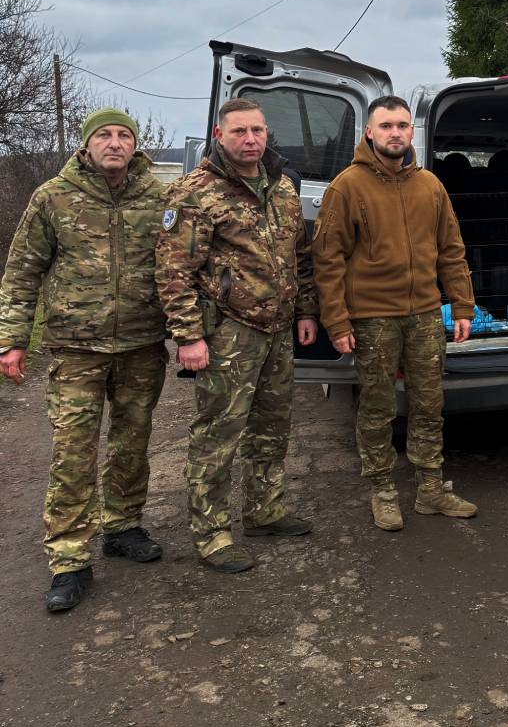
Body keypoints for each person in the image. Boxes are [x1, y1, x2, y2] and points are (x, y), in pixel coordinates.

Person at [0, 108, 168, 612]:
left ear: (135, 145)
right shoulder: (53, 197)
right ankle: (70, 558)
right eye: (104, 135)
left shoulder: (157, 198)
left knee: (132, 441)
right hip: (77, 348)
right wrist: (12, 340)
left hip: (141, 344)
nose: (114, 143)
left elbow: (181, 266)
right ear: (86, 144)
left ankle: (122, 525)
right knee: (73, 450)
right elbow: (22, 273)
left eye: (124, 135)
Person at [156, 98, 318, 573]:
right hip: (228, 333)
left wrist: (306, 310)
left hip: (277, 331)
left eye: (258, 130)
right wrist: (188, 337)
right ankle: (212, 533)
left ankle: (264, 510)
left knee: (272, 426)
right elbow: (172, 273)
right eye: (240, 131)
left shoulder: (283, 188)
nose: (251, 139)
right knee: (218, 434)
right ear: (219, 133)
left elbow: (300, 258)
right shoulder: (195, 192)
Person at [311, 96, 476, 532]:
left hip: (424, 314)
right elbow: (327, 261)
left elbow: (451, 251)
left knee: (428, 405)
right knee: (378, 408)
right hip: (372, 317)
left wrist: (462, 304)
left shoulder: (430, 187)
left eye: (402, 125)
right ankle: (382, 490)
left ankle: (430, 489)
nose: (395, 133)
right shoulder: (346, 187)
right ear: (369, 132)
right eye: (386, 126)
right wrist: (337, 321)